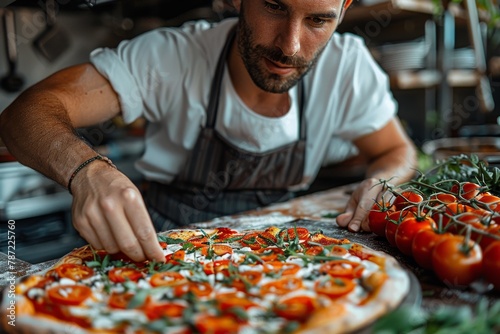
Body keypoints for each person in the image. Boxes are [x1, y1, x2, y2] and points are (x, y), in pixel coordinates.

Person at [0, 0, 417, 263]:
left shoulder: (349, 67)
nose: (289, 46)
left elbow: (397, 150)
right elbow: (22, 114)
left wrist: (383, 181)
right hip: (157, 257)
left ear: (344, 10)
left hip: (278, 261)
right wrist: (87, 170)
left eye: (318, 20)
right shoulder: (172, 56)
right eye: (274, 6)